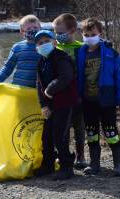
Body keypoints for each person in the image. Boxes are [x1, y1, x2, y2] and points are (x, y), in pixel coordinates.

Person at [77, 17, 120, 176]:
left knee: (111, 132)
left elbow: (119, 76)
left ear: (100, 33)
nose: (89, 37)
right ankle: (94, 164)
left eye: (92, 33)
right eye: (86, 34)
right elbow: (78, 75)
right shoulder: (81, 52)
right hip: (87, 100)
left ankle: (118, 165)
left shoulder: (110, 52)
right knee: (91, 133)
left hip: (106, 100)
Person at [34, 30, 79, 180]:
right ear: (36, 48)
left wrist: (49, 89)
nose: (43, 44)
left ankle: (66, 167)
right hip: (50, 105)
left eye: (46, 41)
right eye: (40, 43)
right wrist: (43, 105)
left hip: (65, 103)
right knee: (46, 136)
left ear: (54, 42)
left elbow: (65, 77)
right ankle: (48, 165)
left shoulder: (61, 57)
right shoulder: (41, 62)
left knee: (60, 135)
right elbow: (39, 86)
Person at [53, 13, 87, 169]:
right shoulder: (55, 48)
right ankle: (64, 155)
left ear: (72, 31)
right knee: (62, 128)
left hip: (79, 96)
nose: (57, 36)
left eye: (60, 32)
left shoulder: (81, 48)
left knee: (79, 127)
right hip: (61, 98)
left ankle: (81, 155)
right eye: (55, 33)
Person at [0, 15, 41, 87]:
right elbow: (8, 67)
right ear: (22, 31)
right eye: (29, 28)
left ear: (40, 28)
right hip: (19, 90)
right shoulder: (17, 47)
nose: (33, 30)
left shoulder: (46, 47)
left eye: (35, 28)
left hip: (39, 92)